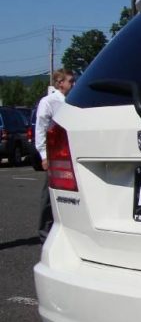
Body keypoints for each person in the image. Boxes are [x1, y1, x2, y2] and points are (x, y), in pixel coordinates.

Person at [36, 69, 74, 242]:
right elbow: (40, 129)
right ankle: (44, 231)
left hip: (72, 153)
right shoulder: (49, 102)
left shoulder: (72, 101)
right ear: (60, 83)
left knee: (71, 195)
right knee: (50, 195)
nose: (73, 84)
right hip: (56, 155)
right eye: (70, 81)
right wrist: (44, 155)